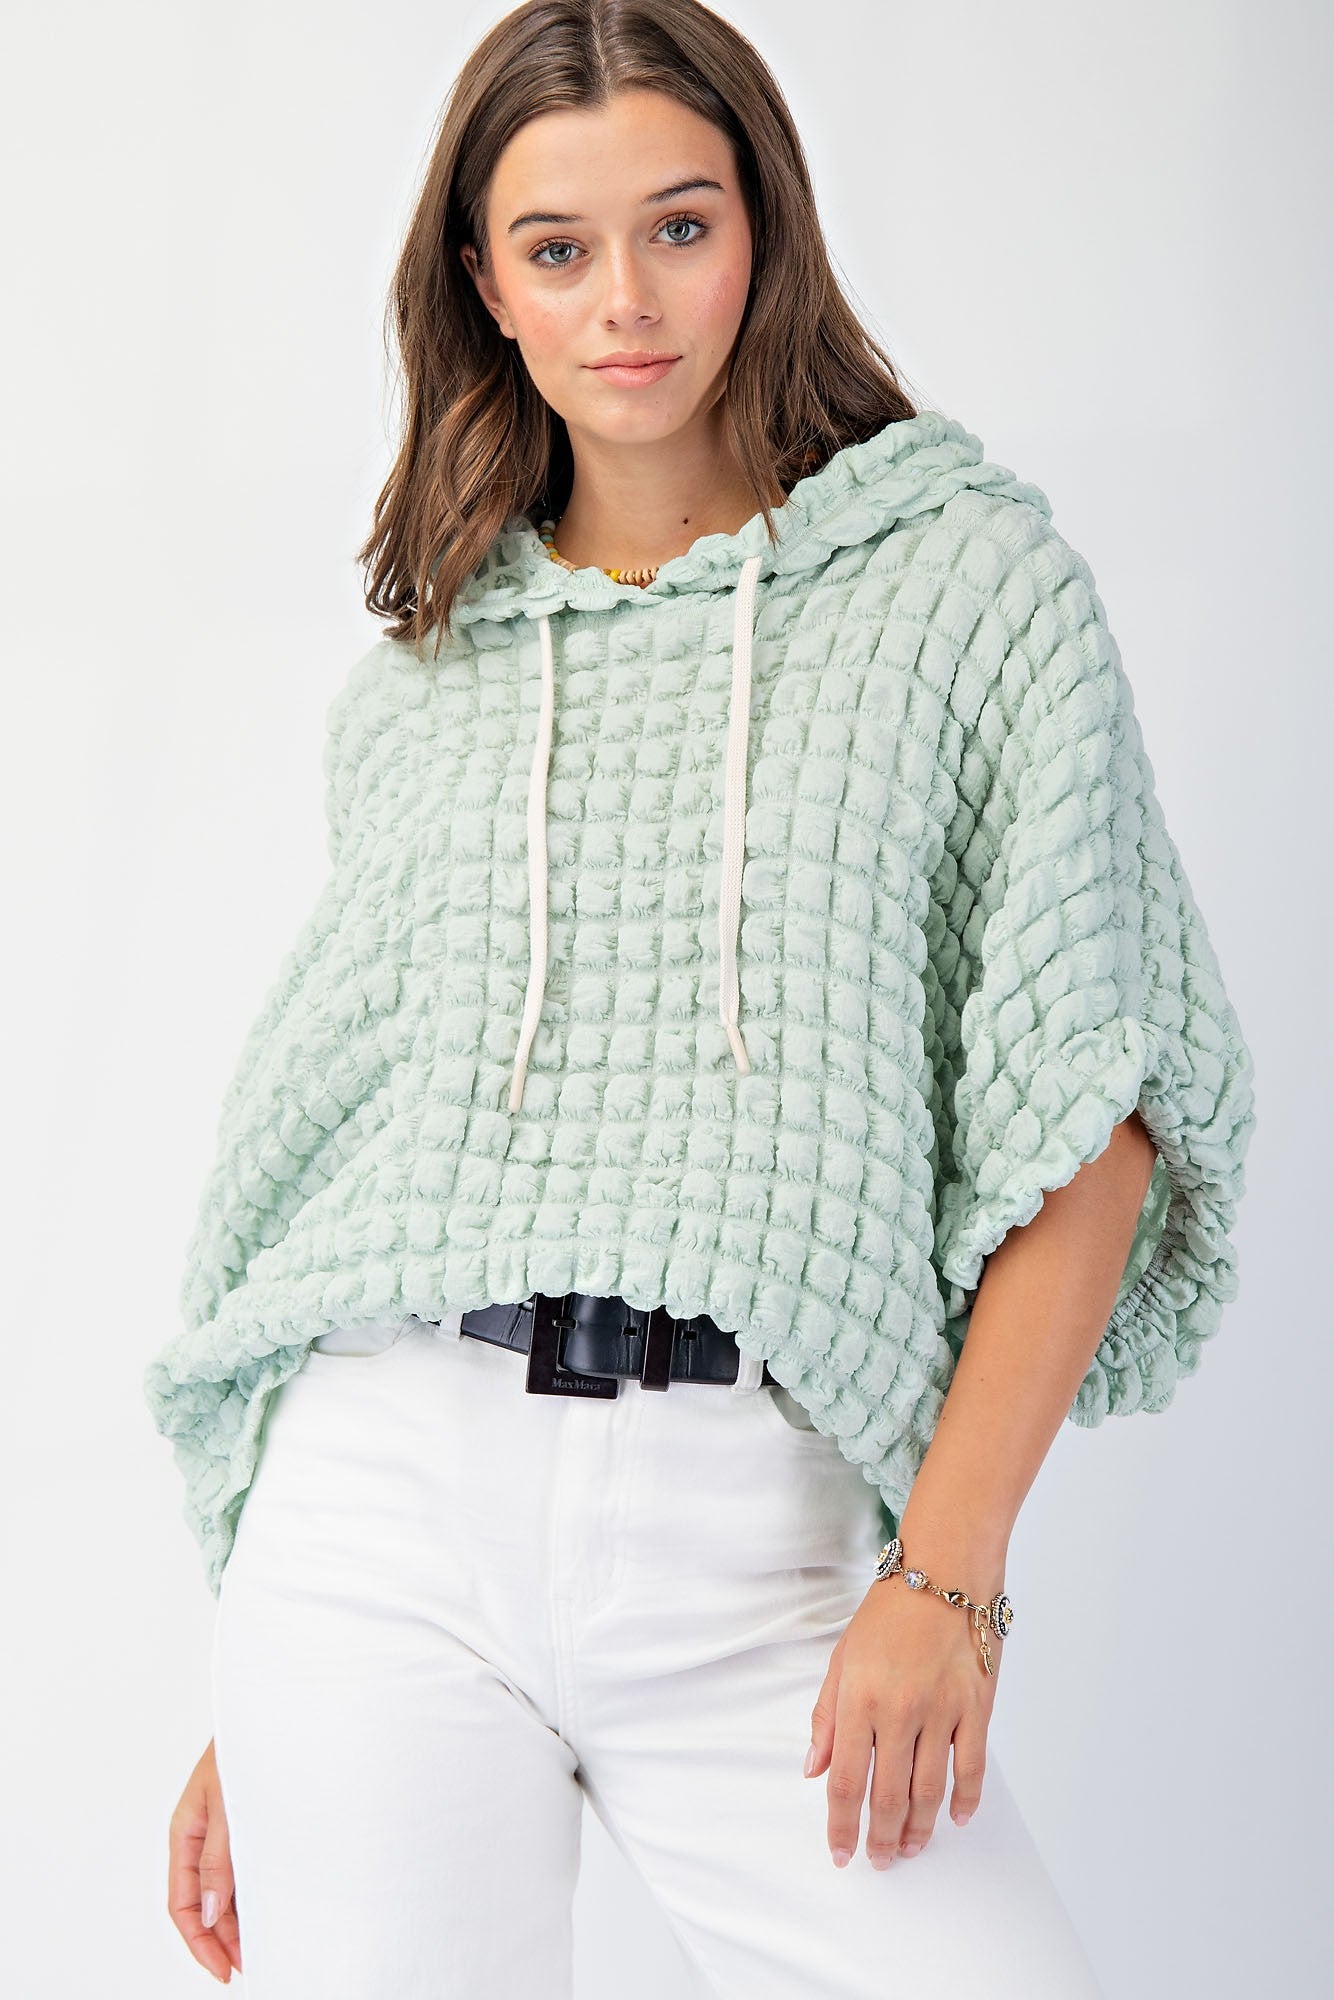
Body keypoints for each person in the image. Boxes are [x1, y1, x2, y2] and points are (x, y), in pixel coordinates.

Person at [148, 3, 1256, 1995]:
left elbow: (1093, 1114)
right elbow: (352, 1163)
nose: (627, 302)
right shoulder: (428, 677)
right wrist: (271, 1701)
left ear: (764, 226)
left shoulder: (967, 589)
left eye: (679, 225)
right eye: (557, 248)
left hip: (759, 1525)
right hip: (375, 1526)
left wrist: (948, 1575)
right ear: (483, 285)